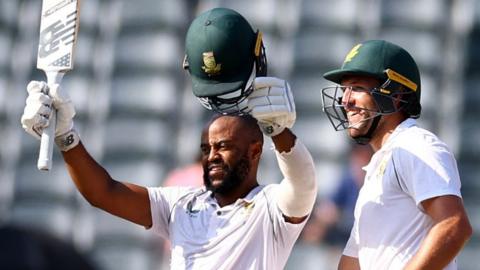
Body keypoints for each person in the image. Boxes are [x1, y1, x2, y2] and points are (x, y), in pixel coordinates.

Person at [20, 7, 317, 270]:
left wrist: (278, 132)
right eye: (207, 148)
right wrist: (66, 136)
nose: (211, 155)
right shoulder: (181, 204)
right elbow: (103, 192)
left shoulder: (270, 209)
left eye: (223, 146)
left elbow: (303, 186)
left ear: (254, 151)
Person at [321, 39, 473, 269]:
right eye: (344, 89)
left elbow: (453, 225)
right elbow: (354, 261)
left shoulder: (416, 146)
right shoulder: (377, 167)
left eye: (358, 88)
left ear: (396, 95)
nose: (345, 100)